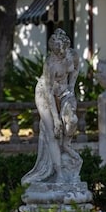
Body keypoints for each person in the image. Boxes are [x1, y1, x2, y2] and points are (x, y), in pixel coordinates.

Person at [22, 29, 82, 184]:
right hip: (45, 93)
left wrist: (71, 86)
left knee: (72, 121)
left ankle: (66, 145)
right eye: (56, 51)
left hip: (64, 91)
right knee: (53, 133)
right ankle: (59, 173)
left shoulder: (72, 55)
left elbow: (76, 69)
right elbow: (48, 92)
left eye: (62, 50)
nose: (59, 53)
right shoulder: (50, 64)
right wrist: (56, 120)